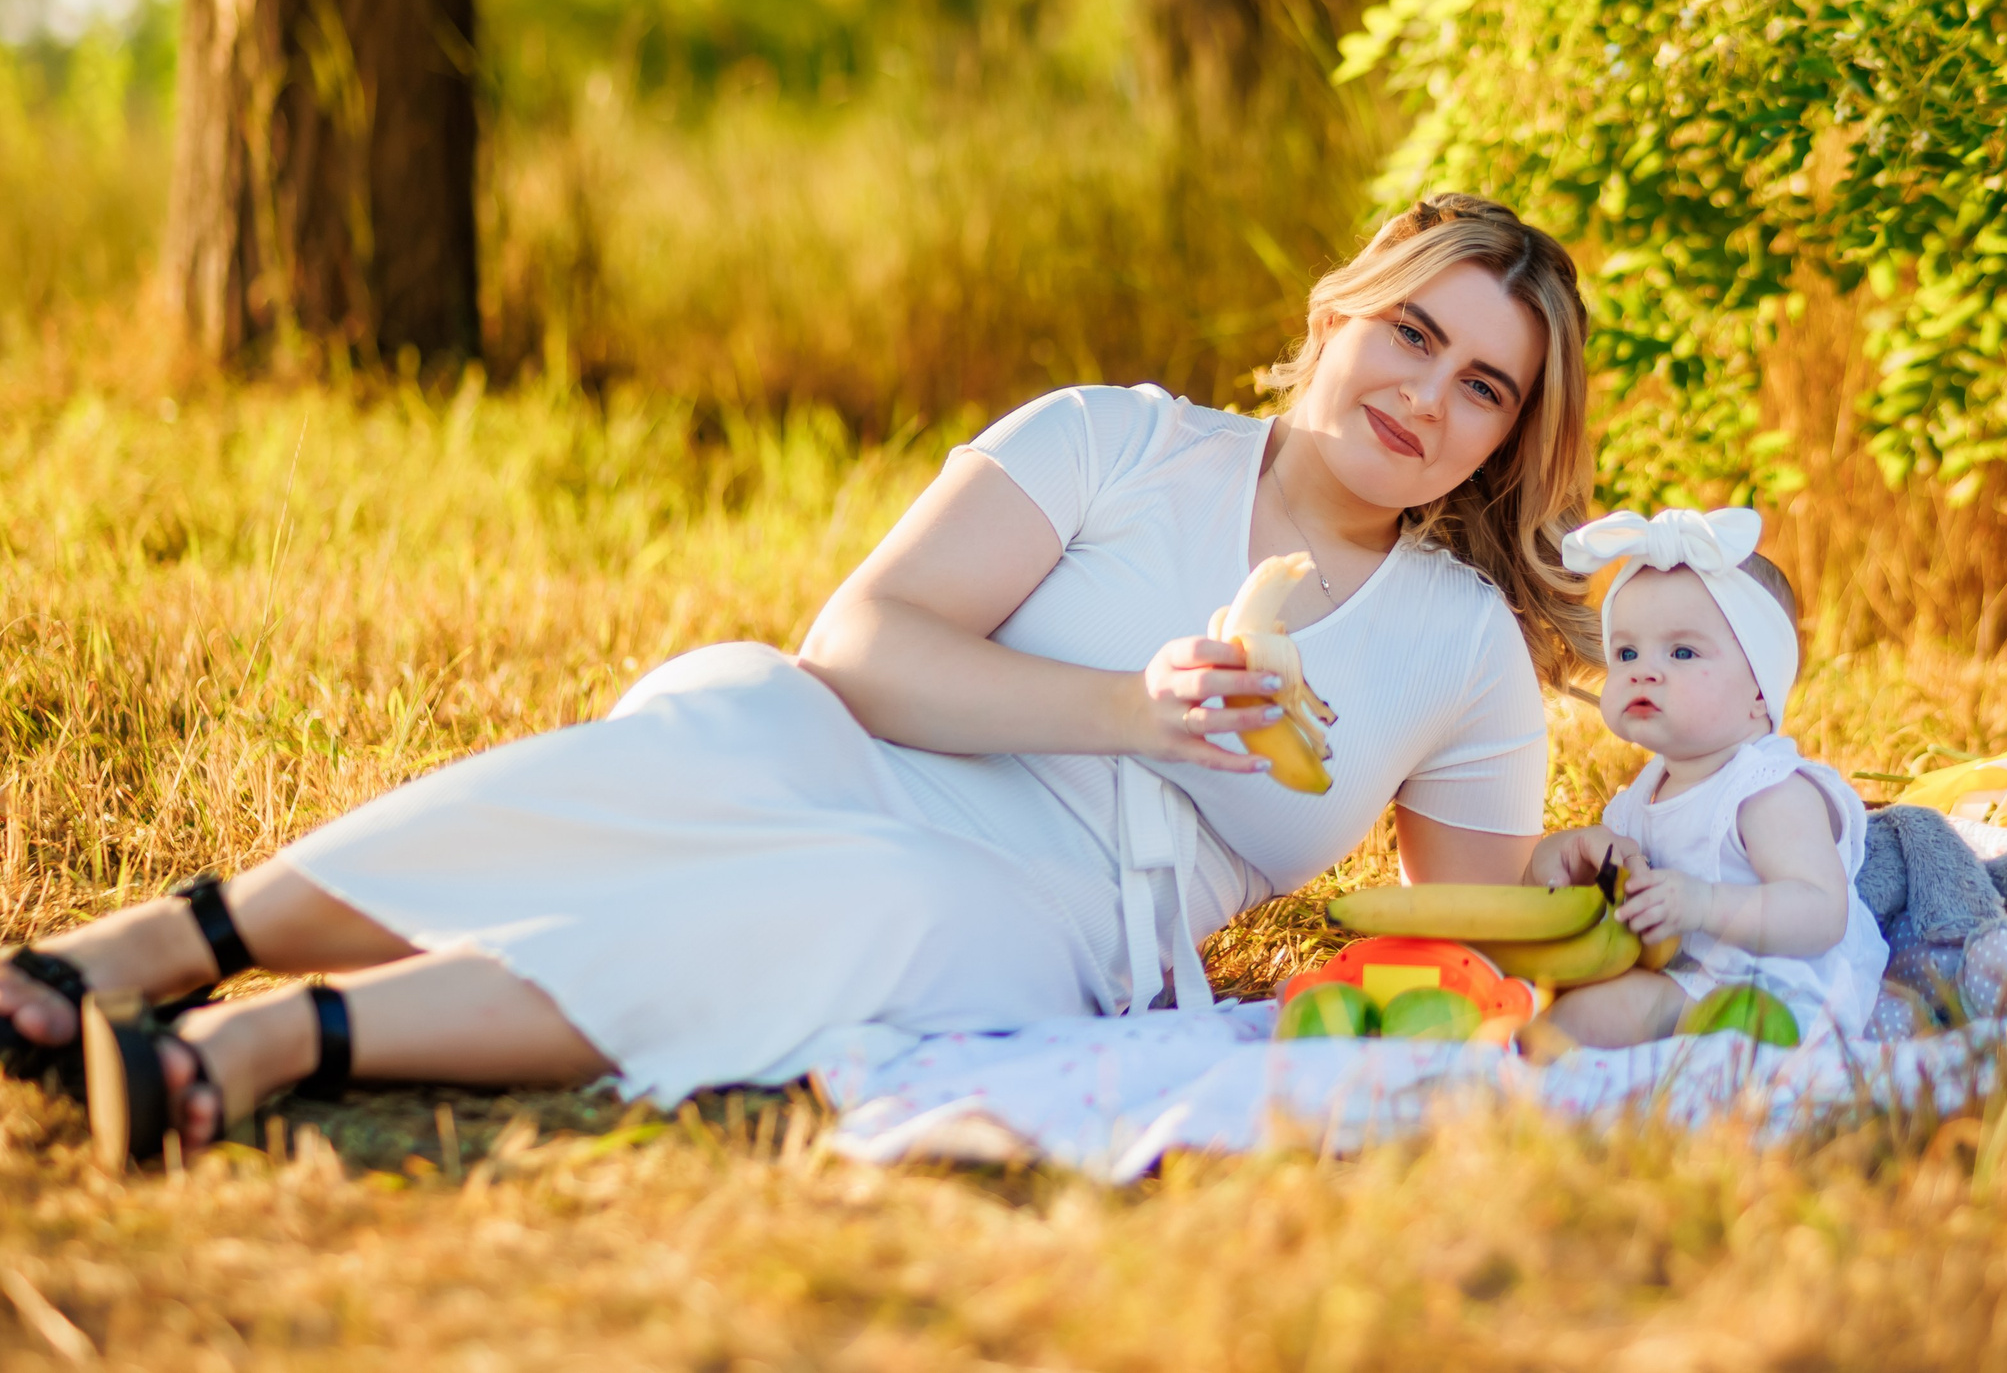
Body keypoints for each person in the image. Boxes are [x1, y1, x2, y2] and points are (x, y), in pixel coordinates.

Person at [0, 195, 1600, 1164]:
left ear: (1508, 438)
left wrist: (1612, 883)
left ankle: (276, 1045)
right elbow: (867, 643)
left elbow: (1464, 930)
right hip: (864, 746)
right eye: (1410, 333)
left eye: (1482, 387)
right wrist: (1132, 706)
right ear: (1333, 320)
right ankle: (172, 941)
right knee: (718, 716)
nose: (1426, 395)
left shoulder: (1461, 650)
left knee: (859, 897)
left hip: (1055, 912)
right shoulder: (1115, 437)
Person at [1521, 508, 1886, 1049]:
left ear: (1760, 691)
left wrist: (1701, 905)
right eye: (1626, 652)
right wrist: (1570, 857)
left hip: (1773, 995)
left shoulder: (1767, 792)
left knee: (1602, 1015)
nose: (1643, 670)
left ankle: (1550, 1085)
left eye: (1683, 652)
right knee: (1548, 984)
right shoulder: (1642, 796)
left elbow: (1821, 911)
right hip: (1684, 976)